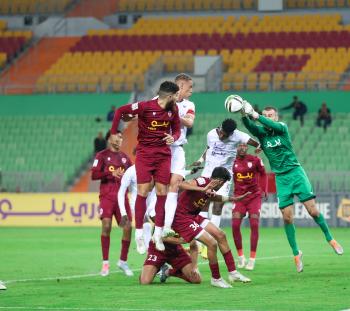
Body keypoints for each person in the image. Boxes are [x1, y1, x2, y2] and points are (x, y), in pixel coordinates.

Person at [240, 104, 343, 272]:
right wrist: (242, 113)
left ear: (276, 117)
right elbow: (249, 125)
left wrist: (257, 115)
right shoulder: (262, 134)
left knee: (313, 211)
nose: (268, 117)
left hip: (296, 173)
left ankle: (330, 239)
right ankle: (296, 253)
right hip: (281, 178)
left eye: (271, 115)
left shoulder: (282, 128)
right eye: (266, 115)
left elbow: (267, 123)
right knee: (287, 218)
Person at [110, 81, 180, 252]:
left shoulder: (173, 110)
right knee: (142, 191)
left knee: (162, 193)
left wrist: (174, 138)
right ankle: (139, 234)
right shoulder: (144, 107)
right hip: (145, 155)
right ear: (170, 96)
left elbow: (176, 129)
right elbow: (120, 111)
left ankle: (158, 235)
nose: (178, 99)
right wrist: (113, 132)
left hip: (163, 156)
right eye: (177, 96)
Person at [172, 167, 252, 288]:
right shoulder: (202, 182)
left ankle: (233, 273)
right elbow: (181, 184)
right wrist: (203, 188)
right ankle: (216, 278)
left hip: (193, 216)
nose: (223, 186)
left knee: (221, 235)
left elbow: (215, 197)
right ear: (220, 181)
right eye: (224, 183)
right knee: (212, 243)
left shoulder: (210, 189)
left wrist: (234, 199)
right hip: (181, 218)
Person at [191, 118, 259, 229]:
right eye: (221, 133)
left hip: (224, 177)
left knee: (218, 206)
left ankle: (212, 235)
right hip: (208, 173)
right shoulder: (211, 134)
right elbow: (208, 149)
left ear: (232, 133)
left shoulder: (239, 136)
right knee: (203, 203)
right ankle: (200, 237)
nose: (222, 137)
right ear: (220, 128)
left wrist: (259, 147)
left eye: (226, 135)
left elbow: (256, 143)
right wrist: (200, 160)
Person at [91, 130, 134, 277]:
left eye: (122, 137)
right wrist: (111, 173)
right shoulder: (101, 156)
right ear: (110, 139)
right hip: (107, 197)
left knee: (128, 227)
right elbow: (94, 175)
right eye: (117, 136)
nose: (120, 139)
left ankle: (122, 261)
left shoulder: (125, 158)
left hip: (122, 198)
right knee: (107, 225)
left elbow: (133, 176)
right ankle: (105, 263)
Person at [163, 73, 196, 237]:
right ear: (181, 86)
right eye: (190, 87)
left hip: (177, 148)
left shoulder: (189, 104)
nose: (192, 90)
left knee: (175, 183)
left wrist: (174, 113)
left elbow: (190, 122)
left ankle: (167, 226)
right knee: (158, 187)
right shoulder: (162, 98)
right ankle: (149, 226)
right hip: (160, 148)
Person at [232, 143, 267, 271]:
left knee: (254, 223)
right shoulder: (232, 162)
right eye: (239, 146)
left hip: (254, 196)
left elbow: (263, 174)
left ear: (247, 148)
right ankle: (241, 257)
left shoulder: (255, 160)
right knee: (235, 225)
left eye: (244, 146)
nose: (242, 148)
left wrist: (264, 189)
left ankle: (252, 259)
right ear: (236, 148)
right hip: (239, 197)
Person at [118, 164, 156, 253]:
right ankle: (141, 240)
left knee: (160, 226)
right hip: (137, 203)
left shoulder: (156, 168)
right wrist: (123, 213)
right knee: (146, 225)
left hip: (153, 202)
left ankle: (154, 252)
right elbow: (121, 192)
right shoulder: (131, 171)